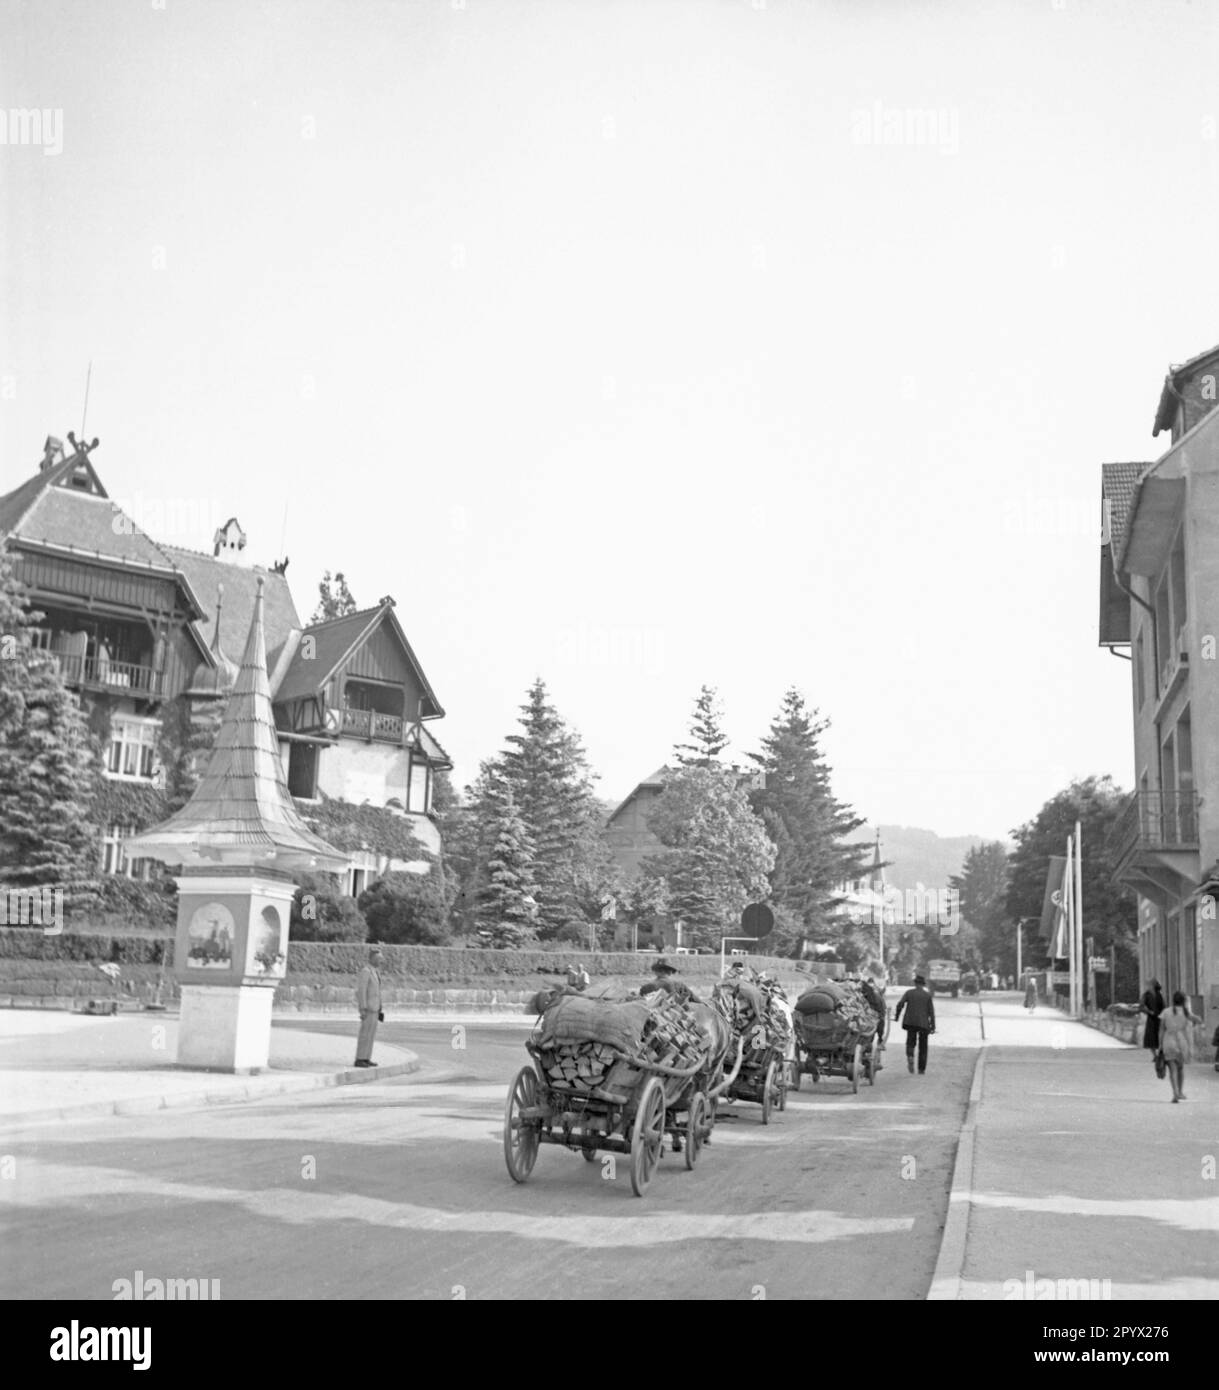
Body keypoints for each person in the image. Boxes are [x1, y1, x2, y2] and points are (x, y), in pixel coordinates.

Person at [1159, 990, 1202, 1102]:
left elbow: (1161, 1030)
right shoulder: (1186, 1012)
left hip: (1168, 1041)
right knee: (1180, 1069)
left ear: (1173, 1000)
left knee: (1172, 1070)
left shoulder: (1166, 1012)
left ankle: (1175, 1093)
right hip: (1181, 1042)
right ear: (1184, 1001)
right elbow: (1199, 1020)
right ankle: (1181, 1092)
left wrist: (1160, 1045)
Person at [893, 974, 936, 1075]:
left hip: (910, 1022)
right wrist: (933, 1026)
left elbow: (900, 1004)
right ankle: (921, 1069)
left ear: (915, 983)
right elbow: (931, 1012)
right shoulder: (927, 995)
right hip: (923, 1024)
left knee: (910, 1042)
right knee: (923, 1047)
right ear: (923, 984)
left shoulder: (909, 993)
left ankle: (910, 1056)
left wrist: (897, 1017)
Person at [354, 947, 384, 1067]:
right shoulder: (366, 971)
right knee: (365, 1034)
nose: (380, 961)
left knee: (371, 1034)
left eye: (381, 959)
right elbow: (362, 991)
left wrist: (380, 1005)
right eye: (378, 959)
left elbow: (377, 990)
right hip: (368, 1008)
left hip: (375, 1008)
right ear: (372, 959)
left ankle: (366, 1057)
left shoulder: (375, 972)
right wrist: (362, 1007)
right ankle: (360, 1058)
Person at [1139, 978, 1166, 1064]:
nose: (1149, 986)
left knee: (1161, 1036)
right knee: (1151, 1038)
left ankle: (1160, 1054)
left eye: (1151, 984)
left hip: (1160, 1018)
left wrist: (1164, 1014)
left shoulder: (1159, 994)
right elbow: (1142, 1006)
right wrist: (1149, 1012)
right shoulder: (1146, 995)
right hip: (1151, 1019)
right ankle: (1155, 1056)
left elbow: (1164, 1006)